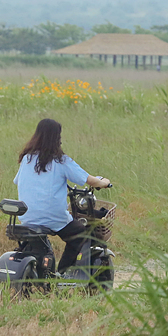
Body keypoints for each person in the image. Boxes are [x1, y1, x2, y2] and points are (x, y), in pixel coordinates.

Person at [14, 117, 111, 276]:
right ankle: (62, 272)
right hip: (53, 216)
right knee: (81, 234)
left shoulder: (27, 159)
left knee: (38, 241)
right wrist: (104, 182)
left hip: (27, 216)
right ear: (56, 138)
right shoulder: (61, 161)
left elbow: (18, 181)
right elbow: (89, 180)